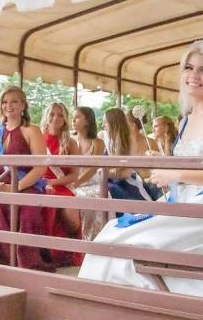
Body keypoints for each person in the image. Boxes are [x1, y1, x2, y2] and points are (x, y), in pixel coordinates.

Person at [79, 39, 203, 320]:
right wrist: (165, 163)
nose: (193, 75)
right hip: (184, 203)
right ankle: (117, 319)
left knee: (127, 246)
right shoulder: (188, 118)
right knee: (109, 235)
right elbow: (193, 165)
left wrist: (173, 174)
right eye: (188, 67)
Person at [0, 86, 53, 271]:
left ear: (23, 105)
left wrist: (16, 187)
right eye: (4, 102)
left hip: (27, 184)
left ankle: (27, 263)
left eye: (14, 101)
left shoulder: (32, 130)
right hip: (0, 185)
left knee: (27, 210)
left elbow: (40, 166)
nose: (8, 105)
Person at [41, 102, 82, 266]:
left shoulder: (71, 143)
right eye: (52, 114)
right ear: (46, 116)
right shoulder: (37, 138)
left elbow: (74, 175)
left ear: (65, 119)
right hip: (39, 185)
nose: (55, 118)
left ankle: (66, 251)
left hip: (62, 186)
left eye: (60, 115)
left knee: (71, 217)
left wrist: (52, 181)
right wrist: (43, 183)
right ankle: (46, 252)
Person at [104, 107, 155, 204]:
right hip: (120, 181)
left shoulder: (134, 141)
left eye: (105, 122)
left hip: (137, 184)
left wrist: (105, 173)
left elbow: (126, 173)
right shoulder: (113, 141)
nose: (103, 125)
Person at [72, 106, 106, 241]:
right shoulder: (69, 139)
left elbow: (93, 167)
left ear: (87, 121)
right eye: (72, 118)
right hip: (72, 180)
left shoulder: (98, 142)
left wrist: (77, 182)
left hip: (90, 182)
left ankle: (94, 239)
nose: (73, 120)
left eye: (77, 117)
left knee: (97, 195)